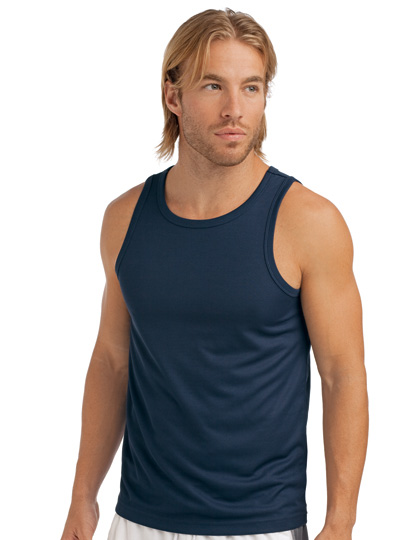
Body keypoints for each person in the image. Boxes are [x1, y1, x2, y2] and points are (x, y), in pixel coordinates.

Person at [60, 8, 368, 540]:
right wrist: (82, 498)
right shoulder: (125, 219)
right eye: (212, 85)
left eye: (251, 87)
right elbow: (112, 361)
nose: (235, 109)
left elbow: (343, 374)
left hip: (260, 524)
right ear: (173, 96)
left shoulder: (309, 222)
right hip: (138, 520)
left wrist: (340, 523)